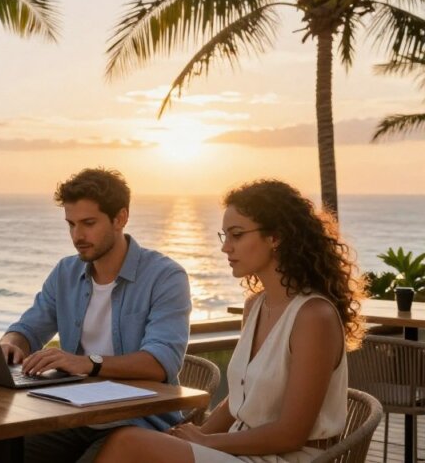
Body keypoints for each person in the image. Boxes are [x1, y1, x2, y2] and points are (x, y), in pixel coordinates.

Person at [96, 180, 365, 463]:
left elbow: (291, 434)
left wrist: (208, 441)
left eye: (236, 235)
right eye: (224, 236)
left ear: (276, 237)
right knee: (138, 442)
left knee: (127, 442)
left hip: (289, 457)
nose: (226, 248)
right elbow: (238, 400)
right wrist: (192, 436)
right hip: (241, 448)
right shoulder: (256, 305)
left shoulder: (313, 317)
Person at [0, 167, 192, 463]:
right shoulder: (66, 272)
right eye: (71, 224)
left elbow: (160, 362)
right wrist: (11, 343)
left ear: (121, 218)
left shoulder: (165, 277)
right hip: (74, 418)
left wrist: (86, 364)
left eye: (89, 223)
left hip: (138, 423)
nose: (78, 236)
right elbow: (28, 327)